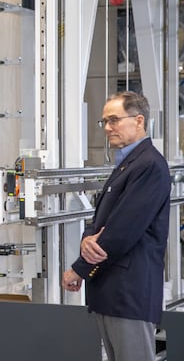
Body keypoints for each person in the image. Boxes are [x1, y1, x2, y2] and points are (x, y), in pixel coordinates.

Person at [62, 91, 171, 361]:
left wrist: (78, 269)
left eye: (114, 120)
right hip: (111, 291)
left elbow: (121, 231)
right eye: (104, 122)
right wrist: (86, 239)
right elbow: (100, 220)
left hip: (129, 291)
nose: (108, 128)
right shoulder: (127, 164)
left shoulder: (149, 165)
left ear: (138, 120)